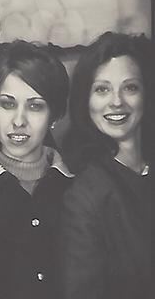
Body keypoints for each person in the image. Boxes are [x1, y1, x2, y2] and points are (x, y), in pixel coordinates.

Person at [0, 40, 74, 299]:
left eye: (35, 106)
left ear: (55, 116)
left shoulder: (76, 187)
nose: (19, 121)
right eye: (8, 104)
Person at [59, 32, 155, 299]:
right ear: (85, 100)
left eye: (130, 87)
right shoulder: (85, 194)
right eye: (102, 89)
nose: (116, 101)